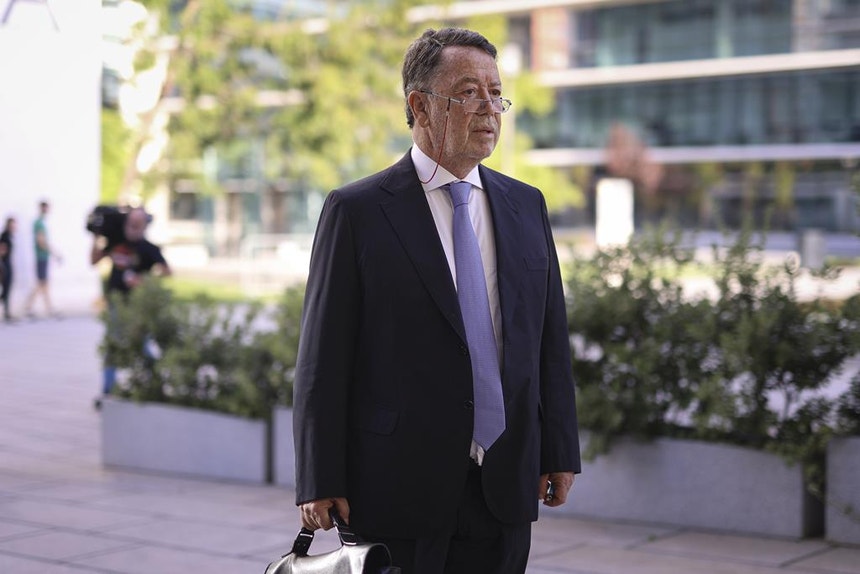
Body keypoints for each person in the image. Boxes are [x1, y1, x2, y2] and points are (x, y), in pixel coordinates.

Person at [292, 27, 581, 574]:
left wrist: (560, 450)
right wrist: (318, 476)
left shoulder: (526, 206)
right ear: (420, 105)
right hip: (396, 485)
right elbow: (322, 358)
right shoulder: (357, 211)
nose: (489, 107)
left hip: (505, 484)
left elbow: (549, 341)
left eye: (496, 93)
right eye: (469, 92)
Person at [91, 207, 170, 407]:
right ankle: (108, 392)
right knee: (113, 346)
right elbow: (93, 260)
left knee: (143, 347)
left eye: (137, 222)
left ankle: (157, 384)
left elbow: (167, 272)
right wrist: (96, 237)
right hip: (116, 305)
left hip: (138, 306)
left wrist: (143, 282)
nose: (133, 226)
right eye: (130, 221)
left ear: (144, 225)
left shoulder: (149, 248)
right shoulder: (115, 242)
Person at [23, 200, 62, 318]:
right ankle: (30, 307)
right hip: (41, 257)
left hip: (43, 256)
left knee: (44, 283)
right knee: (41, 283)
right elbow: (41, 241)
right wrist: (54, 252)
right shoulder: (39, 223)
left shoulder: (41, 223)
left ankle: (48, 308)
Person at [0, 216, 16, 322]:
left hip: (8, 263)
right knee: (5, 290)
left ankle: (7, 312)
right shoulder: (5, 235)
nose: (14, 227)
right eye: (12, 224)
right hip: (4, 265)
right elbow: (2, 250)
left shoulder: (9, 235)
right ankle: (7, 312)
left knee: (7, 290)